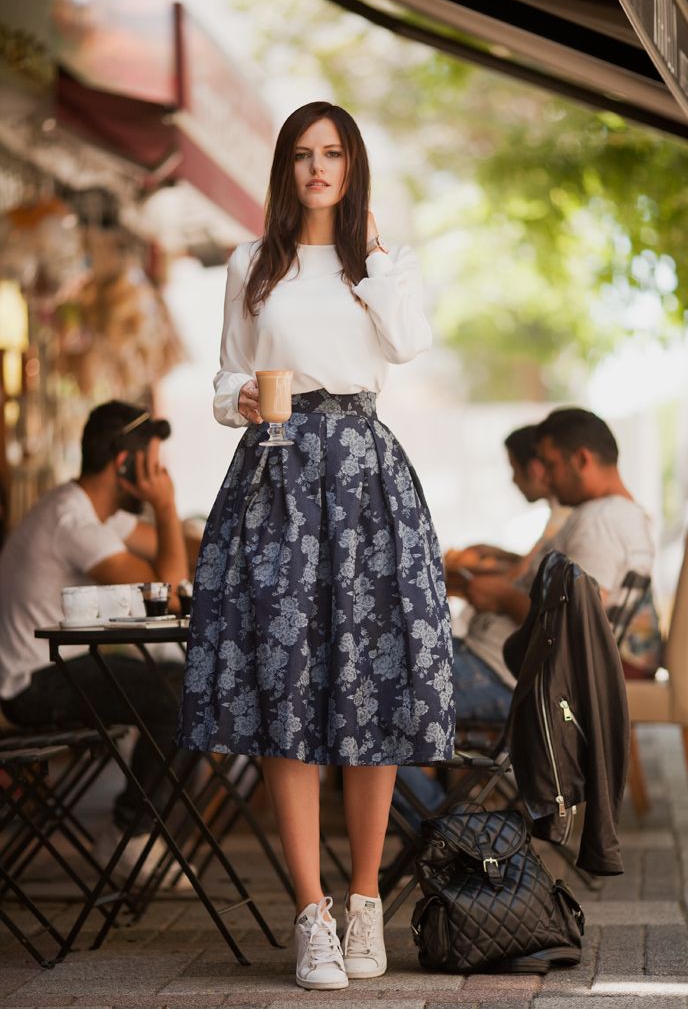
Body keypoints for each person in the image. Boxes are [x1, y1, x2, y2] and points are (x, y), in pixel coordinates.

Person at [177, 101, 455, 990]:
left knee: (371, 689)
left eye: (332, 153)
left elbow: (408, 345)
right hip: (276, 480)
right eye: (302, 154)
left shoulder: (385, 265)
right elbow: (225, 378)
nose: (317, 168)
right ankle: (311, 914)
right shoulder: (250, 263)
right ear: (284, 169)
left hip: (368, 477)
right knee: (286, 688)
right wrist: (246, 403)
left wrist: (371, 262)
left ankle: (367, 898)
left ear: (352, 163)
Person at [397, 407, 658, 816]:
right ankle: (452, 831)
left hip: (502, 676)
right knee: (363, 699)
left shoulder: (600, 523)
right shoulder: (619, 516)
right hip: (497, 667)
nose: (546, 478)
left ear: (583, 459)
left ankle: (454, 834)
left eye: (551, 465)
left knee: (362, 707)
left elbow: (578, 625)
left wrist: (501, 597)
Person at [0, 400, 189, 875]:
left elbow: (178, 550)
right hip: (32, 684)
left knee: (187, 683)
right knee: (184, 696)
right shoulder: (74, 521)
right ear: (125, 464)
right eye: (153, 462)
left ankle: (141, 833)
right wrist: (166, 505)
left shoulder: (95, 512)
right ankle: (131, 834)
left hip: (61, 668)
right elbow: (164, 595)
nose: (161, 472)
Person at [445, 424, 569, 585]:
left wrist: (463, 573)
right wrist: (500, 555)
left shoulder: (564, 515)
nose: (514, 480)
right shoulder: (558, 511)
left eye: (514, 469)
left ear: (534, 469)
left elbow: (523, 574)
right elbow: (535, 565)